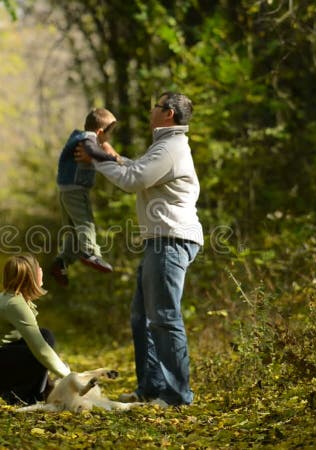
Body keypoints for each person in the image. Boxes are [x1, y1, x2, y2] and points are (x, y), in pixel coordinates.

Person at [76, 92, 203, 406]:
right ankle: (151, 388)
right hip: (160, 241)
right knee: (142, 318)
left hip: (171, 240)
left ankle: (176, 396)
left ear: (169, 113)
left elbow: (133, 181)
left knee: (163, 317)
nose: (151, 110)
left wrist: (99, 161)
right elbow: (140, 171)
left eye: (156, 106)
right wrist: (114, 158)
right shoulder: (164, 145)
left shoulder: (172, 147)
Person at [0, 254, 71, 407]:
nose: (42, 270)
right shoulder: (14, 304)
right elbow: (41, 351)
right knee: (37, 352)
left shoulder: (15, 299)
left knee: (45, 335)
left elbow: (38, 342)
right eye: (38, 268)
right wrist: (70, 376)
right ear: (31, 275)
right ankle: (14, 395)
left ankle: (28, 395)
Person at [50, 108, 119, 287]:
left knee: (73, 231)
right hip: (76, 190)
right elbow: (91, 151)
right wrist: (112, 159)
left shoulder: (81, 136)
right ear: (100, 132)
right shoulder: (89, 138)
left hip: (66, 190)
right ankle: (90, 253)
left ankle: (61, 262)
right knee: (85, 222)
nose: (108, 140)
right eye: (108, 135)